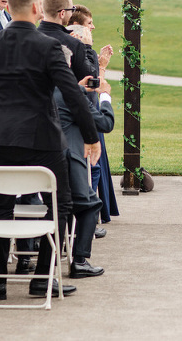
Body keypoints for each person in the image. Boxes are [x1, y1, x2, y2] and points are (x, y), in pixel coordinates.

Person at [0, 0, 101, 301]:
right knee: (60, 205)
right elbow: (71, 92)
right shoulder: (48, 46)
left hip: (0, 137)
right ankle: (43, 279)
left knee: (0, 205)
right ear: (35, 8)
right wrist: (91, 136)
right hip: (42, 138)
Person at [53, 51, 113, 278]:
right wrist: (105, 97)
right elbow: (105, 123)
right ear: (67, 63)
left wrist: (79, 88)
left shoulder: (43, 90)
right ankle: (79, 260)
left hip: (40, 166)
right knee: (90, 204)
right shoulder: (72, 95)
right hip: (68, 159)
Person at [67, 6, 118, 230]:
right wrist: (100, 64)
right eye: (90, 23)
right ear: (78, 28)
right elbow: (93, 82)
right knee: (92, 168)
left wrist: (101, 64)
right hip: (86, 114)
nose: (93, 27)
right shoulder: (79, 49)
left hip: (86, 111)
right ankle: (88, 218)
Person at [37, 0, 93, 82]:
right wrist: (87, 48)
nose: (72, 13)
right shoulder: (73, 43)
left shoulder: (28, 38)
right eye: (72, 10)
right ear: (62, 13)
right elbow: (90, 78)